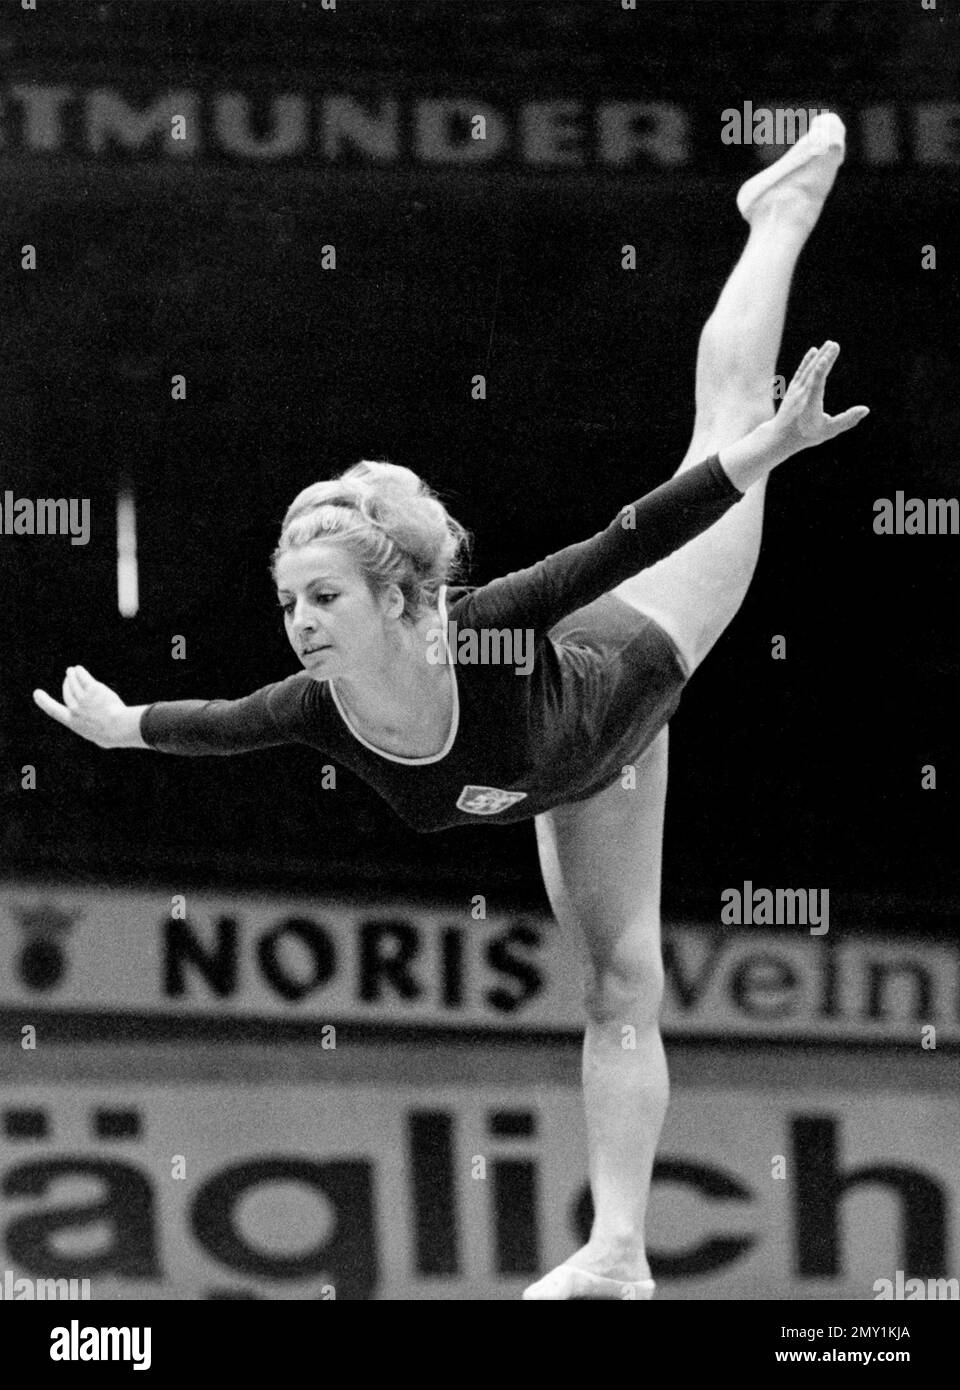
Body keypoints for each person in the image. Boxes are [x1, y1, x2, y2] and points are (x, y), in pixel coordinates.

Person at [34, 114, 867, 1300]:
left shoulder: (480, 627)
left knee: (726, 412)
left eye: (324, 596)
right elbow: (214, 722)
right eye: (287, 601)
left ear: (397, 597)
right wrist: (121, 726)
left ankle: (779, 214)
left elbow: (623, 540)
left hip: (642, 646)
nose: (302, 622)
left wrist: (762, 460)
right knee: (621, 986)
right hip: (583, 769)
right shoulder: (315, 707)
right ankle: (620, 1251)